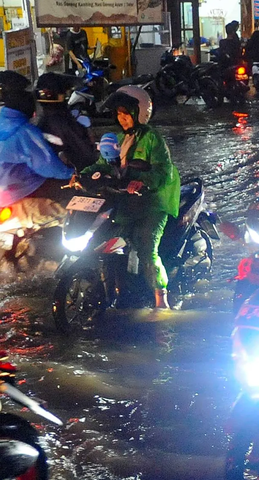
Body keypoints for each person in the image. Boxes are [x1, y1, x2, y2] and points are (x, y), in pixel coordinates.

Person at [81, 90, 180, 310]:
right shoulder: (116, 139)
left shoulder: (153, 139)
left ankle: (161, 297)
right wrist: (83, 175)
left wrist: (143, 181)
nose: (121, 118)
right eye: (119, 114)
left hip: (153, 201)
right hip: (125, 199)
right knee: (104, 238)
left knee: (146, 247)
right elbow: (102, 164)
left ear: (140, 113)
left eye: (126, 114)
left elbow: (163, 171)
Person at [0, 89, 73, 231]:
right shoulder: (25, 131)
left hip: (5, 192)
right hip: (17, 192)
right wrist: (72, 175)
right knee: (68, 205)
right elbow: (47, 165)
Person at [35, 72, 96, 172]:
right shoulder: (64, 123)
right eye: (65, 92)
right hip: (68, 177)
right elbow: (86, 154)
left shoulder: (41, 121)